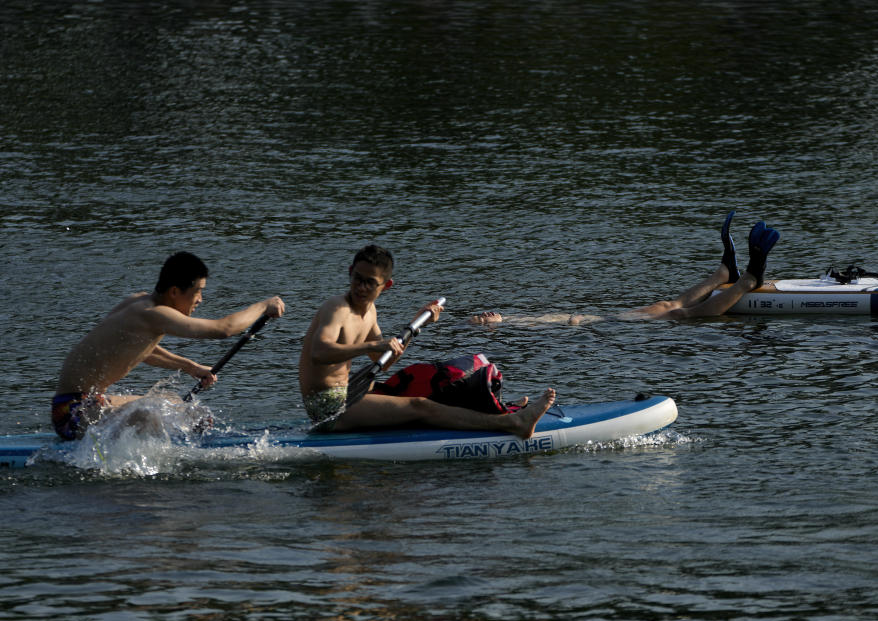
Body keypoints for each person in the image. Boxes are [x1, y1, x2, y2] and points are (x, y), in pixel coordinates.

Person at [298, 245, 556, 439]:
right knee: (419, 406)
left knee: (434, 385)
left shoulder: (370, 312)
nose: (361, 287)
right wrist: (373, 345)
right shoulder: (337, 308)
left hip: (351, 392)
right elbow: (319, 353)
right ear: (350, 273)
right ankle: (513, 424)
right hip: (327, 408)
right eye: (358, 279)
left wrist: (415, 325)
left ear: (386, 286)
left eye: (370, 282)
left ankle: (503, 410)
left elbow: (383, 362)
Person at [51, 251, 285, 440]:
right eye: (198, 292)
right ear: (175, 291)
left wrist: (190, 366)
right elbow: (223, 329)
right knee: (146, 416)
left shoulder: (139, 303)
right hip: (72, 414)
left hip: (94, 402)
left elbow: (141, 351)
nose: (201, 299)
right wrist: (263, 307)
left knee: (174, 402)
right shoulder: (153, 313)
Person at [469, 211, 780, 325]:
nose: (485, 315)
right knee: (678, 315)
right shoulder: (507, 329)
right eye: (483, 319)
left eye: (483, 316)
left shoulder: (511, 321)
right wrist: (501, 324)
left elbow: (542, 320)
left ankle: (724, 273)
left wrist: (504, 320)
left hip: (605, 320)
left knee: (666, 305)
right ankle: (747, 280)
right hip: (609, 325)